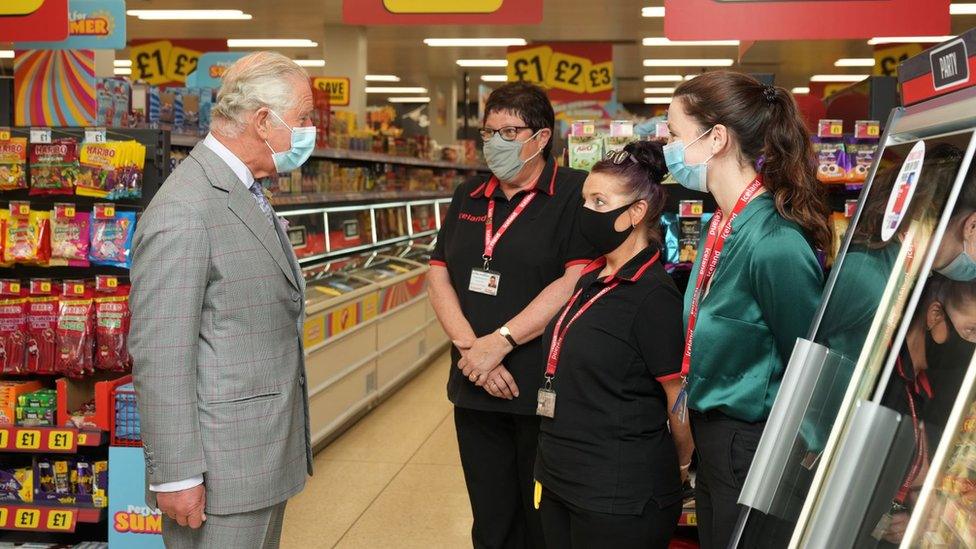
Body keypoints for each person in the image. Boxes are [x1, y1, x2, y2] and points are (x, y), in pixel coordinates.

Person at [130, 52, 315, 549]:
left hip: (255, 457)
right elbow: (160, 352)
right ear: (262, 121)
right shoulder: (187, 208)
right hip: (220, 470)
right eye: (302, 118)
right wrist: (176, 475)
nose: (308, 130)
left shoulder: (244, 189)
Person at [664, 71, 831, 548]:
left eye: (675, 134)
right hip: (716, 441)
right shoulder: (723, 222)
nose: (667, 146)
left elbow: (811, 358)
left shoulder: (773, 243)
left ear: (715, 138)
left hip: (752, 446)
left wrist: (814, 450)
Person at [427, 81, 598, 548]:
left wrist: (500, 341)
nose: (494, 143)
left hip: (540, 386)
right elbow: (439, 272)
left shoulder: (575, 192)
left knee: (543, 518)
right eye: (488, 132)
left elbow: (574, 279)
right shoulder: (469, 194)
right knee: (491, 515)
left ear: (541, 138)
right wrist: (471, 349)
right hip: (474, 384)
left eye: (508, 131)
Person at [534, 143, 695, 549]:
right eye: (585, 199)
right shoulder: (591, 278)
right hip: (559, 480)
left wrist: (680, 462)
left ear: (636, 213)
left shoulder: (652, 297)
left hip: (618, 496)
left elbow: (678, 397)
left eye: (599, 201)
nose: (585, 210)